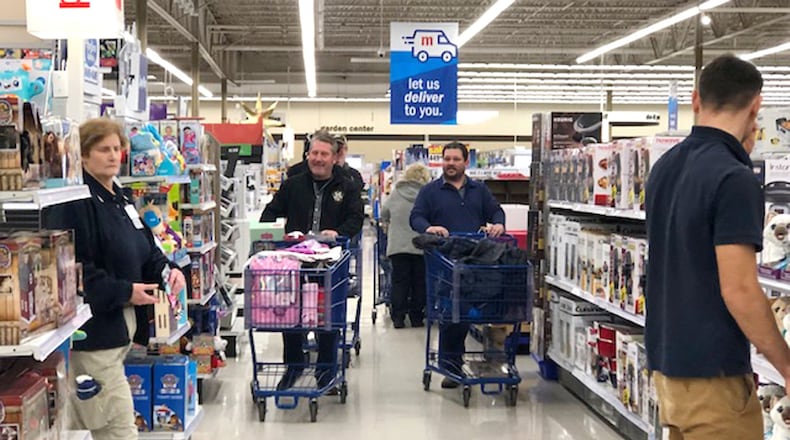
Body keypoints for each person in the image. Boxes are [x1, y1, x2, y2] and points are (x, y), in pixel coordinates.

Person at [645, 54, 790, 440]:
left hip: (668, 370)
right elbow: (739, 290)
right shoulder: (734, 177)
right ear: (756, 106)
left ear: (696, 99)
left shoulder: (664, 167)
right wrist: (786, 366)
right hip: (714, 378)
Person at [48, 119, 186, 440]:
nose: (113, 156)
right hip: (95, 336)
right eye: (103, 149)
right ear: (83, 156)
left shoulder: (120, 197)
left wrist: (168, 270)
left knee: (101, 426)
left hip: (120, 333)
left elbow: (146, 248)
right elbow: (73, 270)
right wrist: (125, 292)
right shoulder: (75, 202)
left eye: (117, 149)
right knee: (118, 430)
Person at [260, 129, 364, 390]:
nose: (318, 158)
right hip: (294, 263)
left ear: (334, 157)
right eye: (314, 153)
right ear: (308, 154)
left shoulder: (348, 186)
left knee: (327, 317)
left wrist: (337, 233)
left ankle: (326, 371)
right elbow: (270, 213)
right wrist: (275, 234)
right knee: (290, 314)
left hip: (330, 263)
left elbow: (355, 219)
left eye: (324, 154)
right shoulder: (293, 184)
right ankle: (294, 366)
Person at [410, 141, 505, 389]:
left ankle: (475, 361)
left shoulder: (479, 190)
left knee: (466, 313)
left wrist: (498, 224)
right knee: (451, 315)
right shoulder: (430, 191)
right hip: (443, 261)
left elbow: (496, 211)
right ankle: (450, 367)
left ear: (465, 162)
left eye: (455, 159)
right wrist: (428, 228)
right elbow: (416, 217)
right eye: (447, 159)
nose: (450, 163)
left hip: (475, 261)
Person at [381, 163, 432, 329]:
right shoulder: (427, 195)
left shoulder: (396, 192)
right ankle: (417, 317)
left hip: (398, 246)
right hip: (421, 246)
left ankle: (398, 318)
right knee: (419, 283)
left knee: (399, 282)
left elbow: (384, 213)